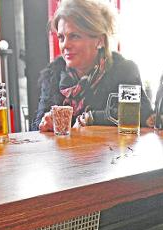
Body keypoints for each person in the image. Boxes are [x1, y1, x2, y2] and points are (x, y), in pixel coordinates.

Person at [33, 0, 153, 132]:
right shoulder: (53, 74)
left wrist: (92, 118)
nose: (65, 45)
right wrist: (46, 122)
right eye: (61, 37)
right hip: (65, 152)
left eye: (74, 36)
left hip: (113, 151)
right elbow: (37, 125)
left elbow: (144, 115)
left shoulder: (124, 70)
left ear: (100, 41)